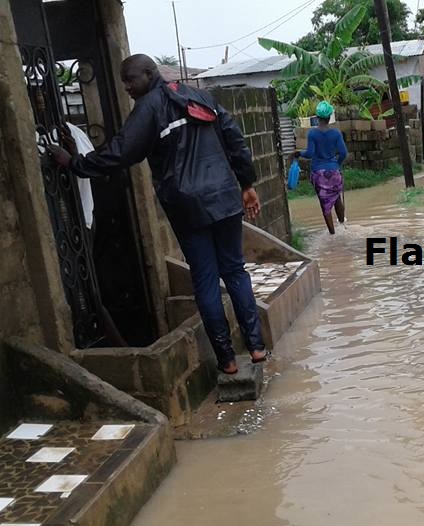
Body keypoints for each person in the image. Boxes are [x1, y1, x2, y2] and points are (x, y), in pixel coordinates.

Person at [47, 54, 267, 375]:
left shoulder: (149, 108)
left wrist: (75, 164)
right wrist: (246, 183)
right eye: (123, 81)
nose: (126, 87)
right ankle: (257, 347)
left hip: (188, 207)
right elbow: (234, 138)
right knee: (235, 273)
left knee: (206, 280)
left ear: (149, 75)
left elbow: (120, 152)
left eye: (130, 80)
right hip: (224, 197)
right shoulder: (200, 96)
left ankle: (228, 360)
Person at [293, 101, 347, 235]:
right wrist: (336, 165)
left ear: (317, 117)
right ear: (329, 117)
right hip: (334, 171)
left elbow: (310, 153)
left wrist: (299, 153)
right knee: (337, 198)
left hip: (319, 173)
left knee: (325, 204)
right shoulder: (336, 133)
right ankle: (343, 227)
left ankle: (333, 235)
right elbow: (344, 153)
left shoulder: (313, 133)